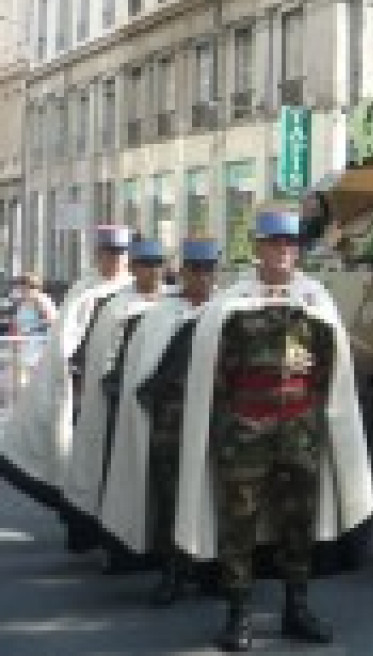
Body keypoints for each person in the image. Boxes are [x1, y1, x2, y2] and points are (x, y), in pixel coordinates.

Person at [173, 209, 373, 652]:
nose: (284, 251)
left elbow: (331, 366)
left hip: (299, 428)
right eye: (274, 243)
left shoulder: (314, 299)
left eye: (290, 244)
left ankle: (296, 608)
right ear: (259, 248)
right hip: (245, 430)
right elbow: (215, 372)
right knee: (239, 525)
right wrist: (237, 419)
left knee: (297, 523)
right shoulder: (232, 303)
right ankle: (239, 614)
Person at [99, 237, 221, 605]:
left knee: (214, 497)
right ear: (182, 272)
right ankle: (173, 571)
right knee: (171, 499)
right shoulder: (162, 315)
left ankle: (211, 570)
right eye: (195, 270)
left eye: (208, 271)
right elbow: (138, 367)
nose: (201, 278)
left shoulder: (226, 311)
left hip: (217, 424)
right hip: (172, 424)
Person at [0, 226, 132, 512]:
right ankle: (80, 519)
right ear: (98, 255)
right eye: (108, 254)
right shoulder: (83, 288)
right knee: (80, 455)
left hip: (119, 385)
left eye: (120, 254)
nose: (114, 260)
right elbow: (67, 338)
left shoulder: (133, 291)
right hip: (82, 382)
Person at [61, 237, 168, 559]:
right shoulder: (116, 306)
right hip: (120, 403)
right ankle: (119, 547)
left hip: (163, 406)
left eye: (157, 264)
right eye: (145, 264)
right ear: (134, 268)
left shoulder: (173, 303)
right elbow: (103, 355)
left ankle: (158, 547)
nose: (153, 271)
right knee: (118, 474)